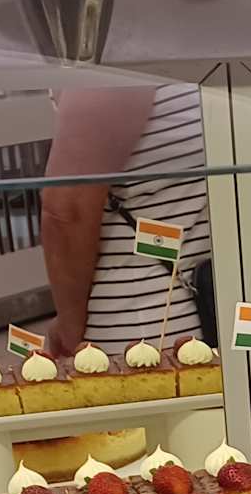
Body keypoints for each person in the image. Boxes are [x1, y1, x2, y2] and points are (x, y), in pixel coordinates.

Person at [38, 84, 213, 357]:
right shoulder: (120, 69)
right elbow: (67, 209)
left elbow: (67, 209)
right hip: (158, 320)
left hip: (171, 314)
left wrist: (68, 322)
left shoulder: (114, 67)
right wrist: (70, 323)